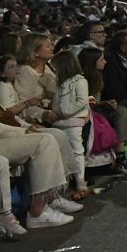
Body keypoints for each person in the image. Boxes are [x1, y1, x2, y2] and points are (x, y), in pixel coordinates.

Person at [50, 50, 91, 200]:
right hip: (59, 122)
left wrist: (65, 111)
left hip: (72, 122)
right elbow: (56, 102)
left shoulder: (79, 81)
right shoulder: (61, 83)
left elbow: (82, 101)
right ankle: (66, 182)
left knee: (76, 151)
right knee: (64, 152)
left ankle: (80, 182)